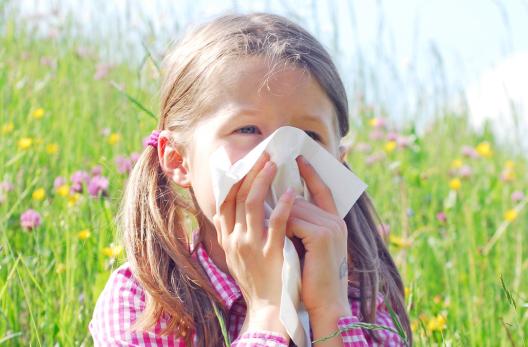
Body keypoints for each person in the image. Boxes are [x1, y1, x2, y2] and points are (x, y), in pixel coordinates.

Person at [89, 12, 412, 347]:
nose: (280, 155)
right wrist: (267, 311)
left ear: (339, 162)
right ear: (178, 159)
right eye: (247, 129)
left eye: (309, 135)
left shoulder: (365, 296)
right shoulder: (146, 302)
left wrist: (331, 311)